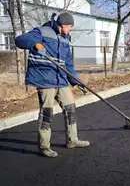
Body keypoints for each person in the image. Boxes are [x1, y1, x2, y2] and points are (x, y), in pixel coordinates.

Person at [15, 12, 90, 158]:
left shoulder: (66, 40)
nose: (71, 29)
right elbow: (20, 40)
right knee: (47, 114)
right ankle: (44, 146)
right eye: (69, 26)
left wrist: (76, 80)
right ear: (62, 25)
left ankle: (72, 140)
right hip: (45, 79)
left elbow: (68, 64)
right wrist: (35, 44)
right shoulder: (42, 32)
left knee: (70, 109)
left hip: (61, 80)